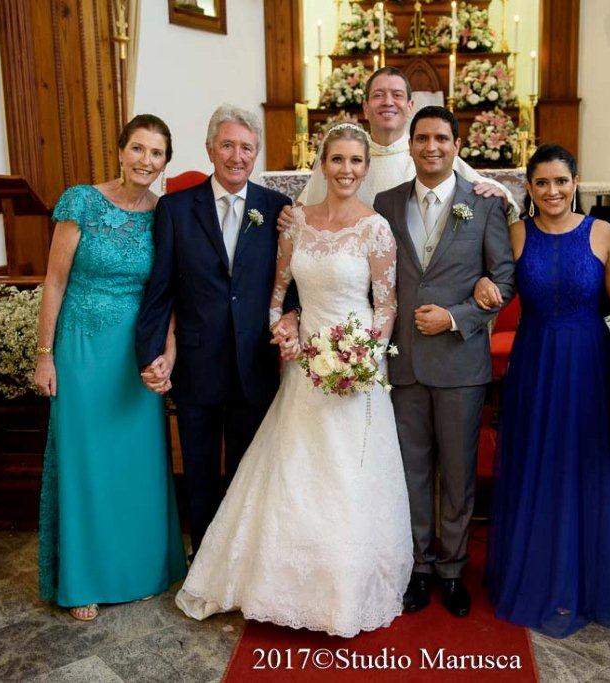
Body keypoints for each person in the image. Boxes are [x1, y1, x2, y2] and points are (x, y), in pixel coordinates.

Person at [175, 123, 412, 638]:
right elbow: (278, 292)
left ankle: (343, 590)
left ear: (365, 168)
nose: (346, 169)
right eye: (337, 159)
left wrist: (364, 358)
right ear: (322, 165)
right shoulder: (295, 220)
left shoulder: (375, 228)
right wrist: (281, 329)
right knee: (295, 468)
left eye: (356, 161)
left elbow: (386, 304)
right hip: (304, 363)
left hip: (355, 365)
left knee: (346, 474)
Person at [35, 114, 186, 622]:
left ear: (166, 163)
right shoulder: (81, 201)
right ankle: (84, 581)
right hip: (82, 349)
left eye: (156, 153)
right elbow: (55, 281)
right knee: (86, 462)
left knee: (136, 464)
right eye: (138, 149)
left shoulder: (163, 213)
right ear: (121, 151)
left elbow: (168, 292)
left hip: (136, 353)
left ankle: (139, 572)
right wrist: (44, 353)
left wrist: (166, 353)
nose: (146, 160)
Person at [473, 144, 610, 637]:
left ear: (576, 182)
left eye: (561, 181)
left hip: (587, 362)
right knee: (537, 460)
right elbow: (494, 287)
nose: (552, 191)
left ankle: (585, 580)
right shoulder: (516, 233)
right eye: (542, 183)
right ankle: (536, 574)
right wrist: (481, 286)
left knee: (584, 461)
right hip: (536, 360)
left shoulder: (603, 233)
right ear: (529, 188)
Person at [135, 105, 298, 556]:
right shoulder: (174, 209)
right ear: (210, 149)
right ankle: (205, 559)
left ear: (256, 153)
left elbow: (293, 284)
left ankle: (242, 559)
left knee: (249, 471)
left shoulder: (278, 209)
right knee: (200, 472)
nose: (237, 156)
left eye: (246, 147)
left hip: (254, 363)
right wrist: (151, 352)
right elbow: (160, 290)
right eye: (227, 145)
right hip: (197, 362)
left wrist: (293, 317)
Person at [373, 106, 515, 618]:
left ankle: (453, 569)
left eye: (441, 138)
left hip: (460, 363)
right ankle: (418, 567)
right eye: (422, 138)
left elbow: (503, 280)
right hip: (404, 362)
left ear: (457, 146)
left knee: (457, 473)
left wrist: (456, 317)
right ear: (410, 146)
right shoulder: (386, 203)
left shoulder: (484, 203)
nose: (431, 147)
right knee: (411, 472)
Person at [280, 67, 515, 230]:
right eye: (379, 95)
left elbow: (487, 190)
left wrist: (499, 193)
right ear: (365, 108)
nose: (388, 102)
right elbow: (304, 207)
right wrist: (288, 215)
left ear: (410, 106)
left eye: (397, 95)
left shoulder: (428, 153)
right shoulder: (348, 156)